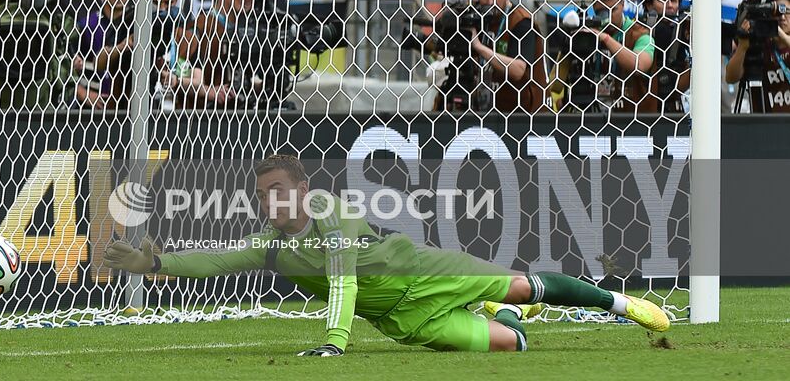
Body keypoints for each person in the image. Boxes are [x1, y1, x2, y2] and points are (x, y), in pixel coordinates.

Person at [104, 153, 670, 355]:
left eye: (278, 191)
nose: (270, 202)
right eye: (262, 195)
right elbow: (218, 259)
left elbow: (344, 277)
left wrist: (333, 343)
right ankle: (507, 322)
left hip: (429, 273)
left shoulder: (330, 211)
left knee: (522, 285)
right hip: (402, 318)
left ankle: (621, 305)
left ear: (301, 190)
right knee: (512, 347)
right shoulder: (272, 246)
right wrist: (158, 264)